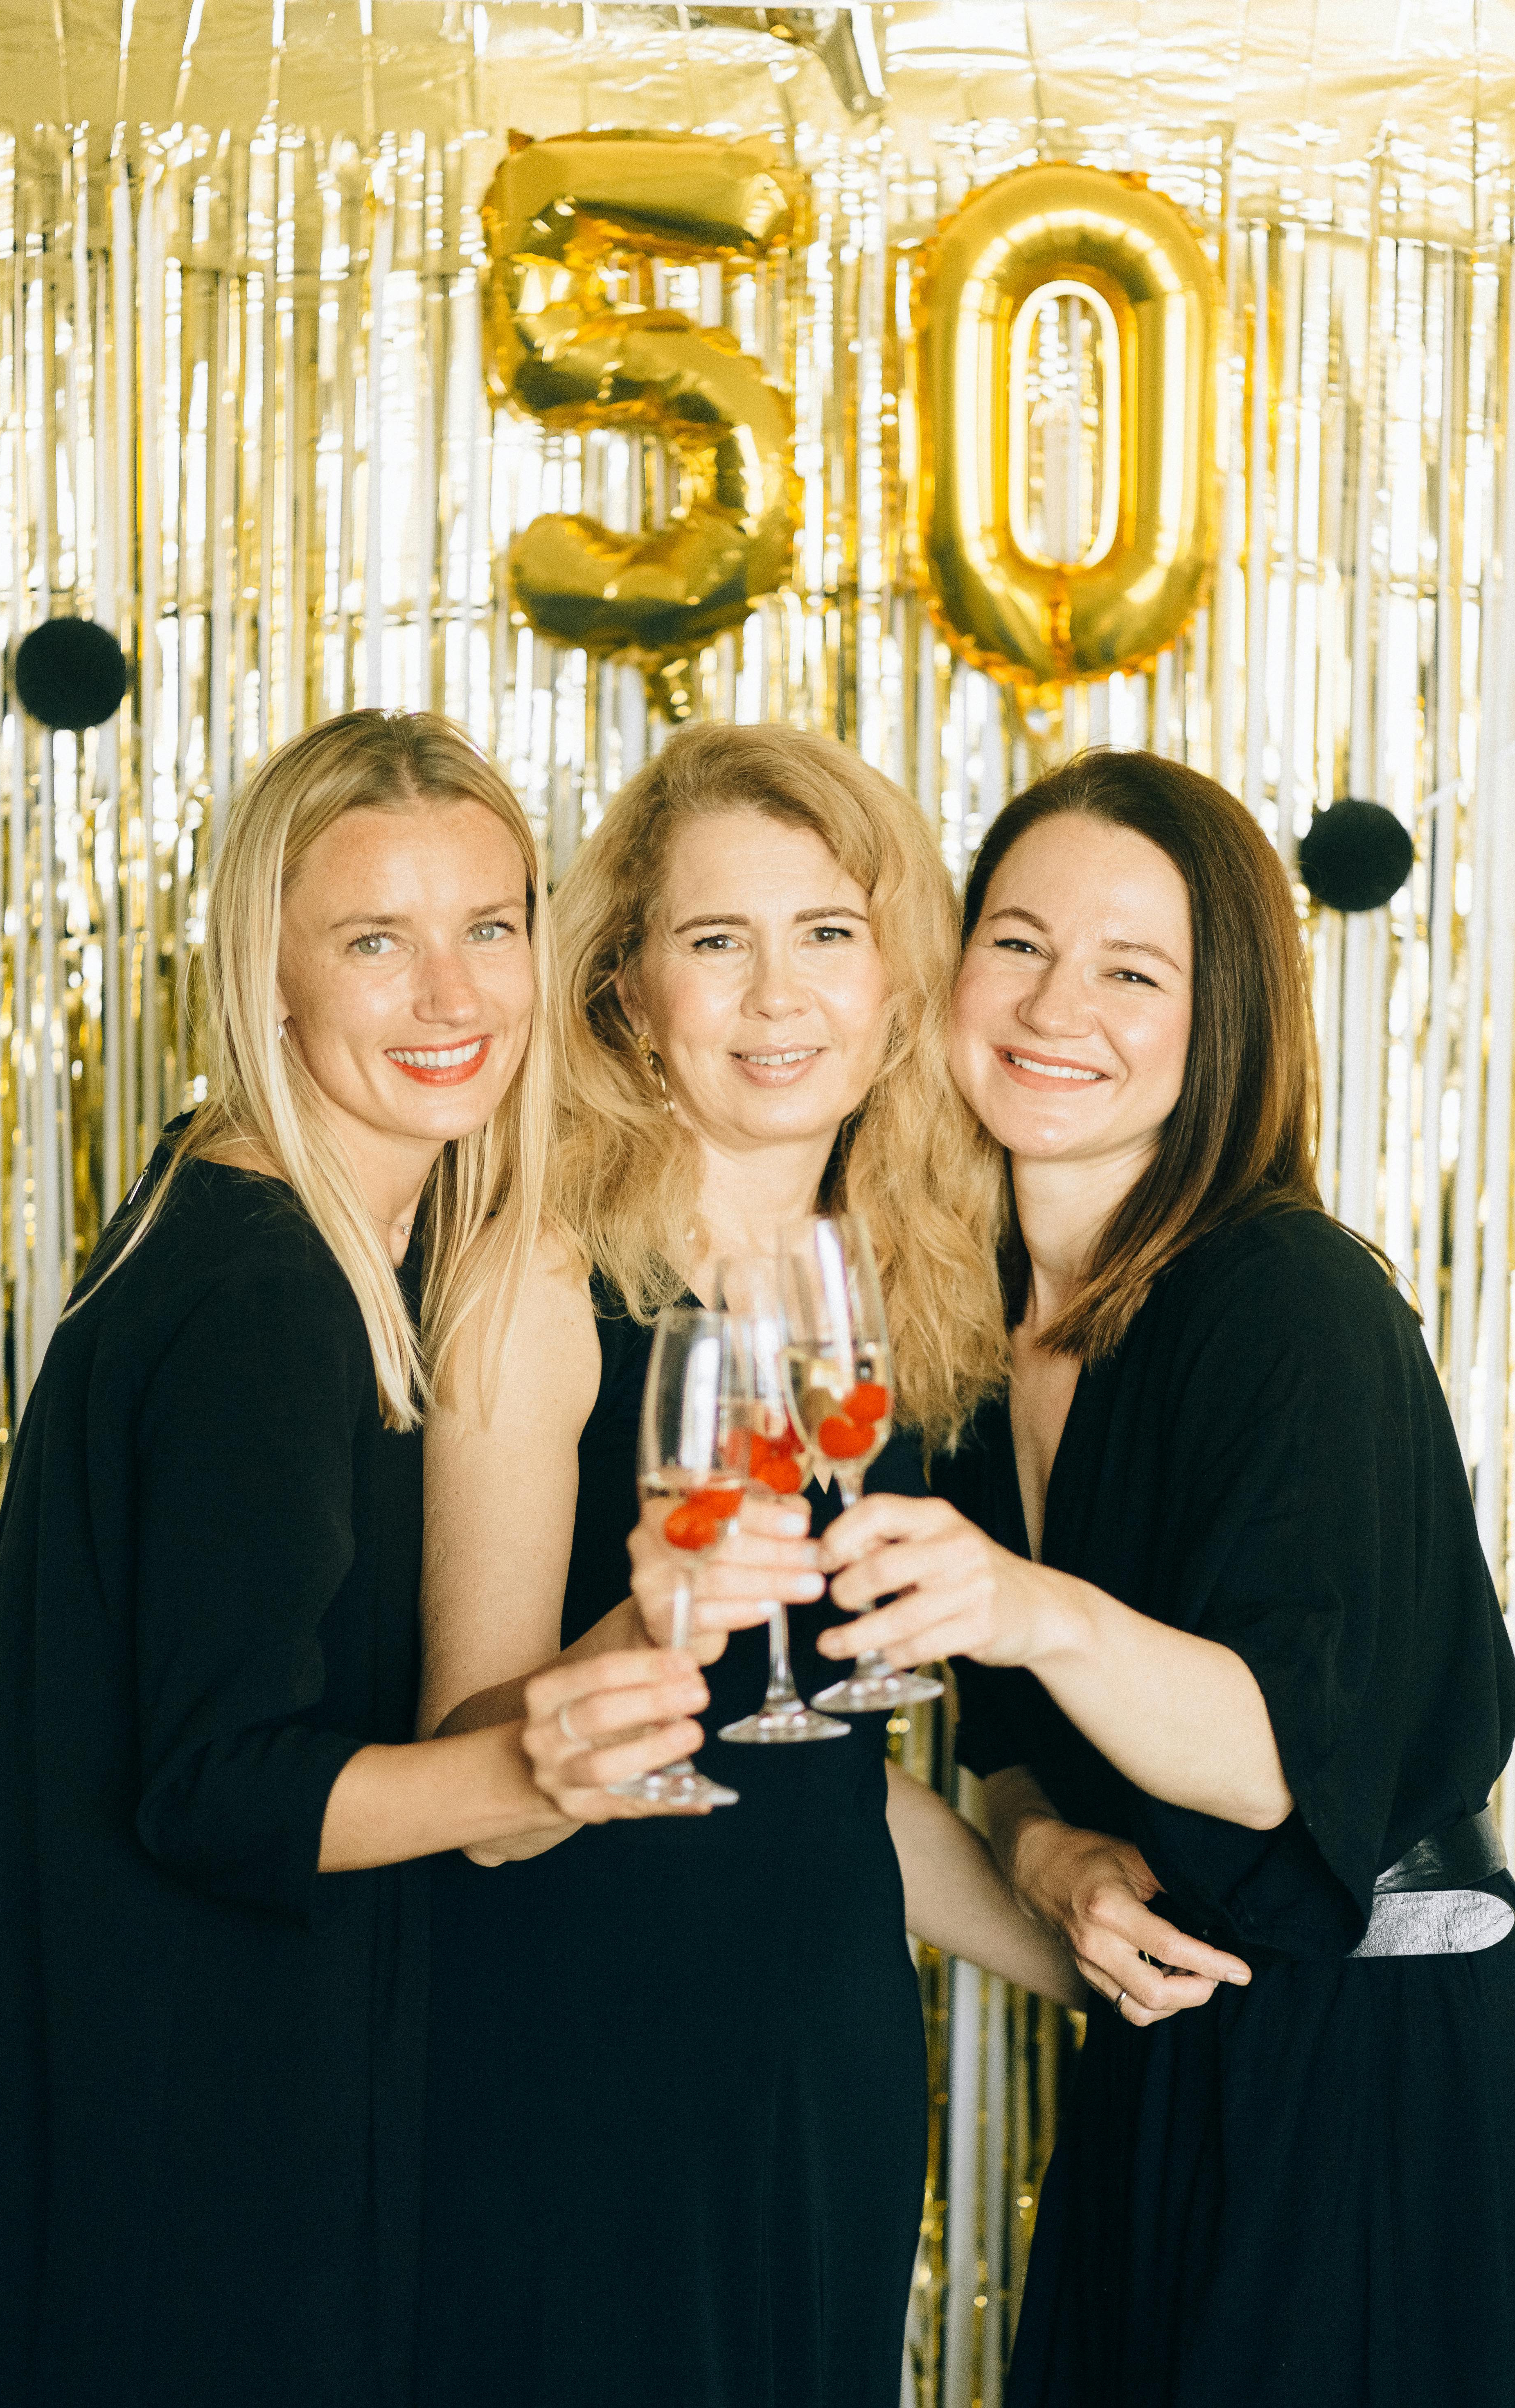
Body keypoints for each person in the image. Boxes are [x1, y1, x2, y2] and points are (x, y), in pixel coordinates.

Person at [0, 710, 701, 2408]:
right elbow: (222, 1787)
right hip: (173, 2141)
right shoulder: (263, 1291)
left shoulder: (267, 1219)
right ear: (272, 980)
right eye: (376, 940)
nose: (453, 995)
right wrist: (531, 1766)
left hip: (141, 2089)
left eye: (490, 926)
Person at [814, 749, 1515, 2407]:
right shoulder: (967, 1328)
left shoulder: (1288, 1304)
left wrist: (1026, 1601)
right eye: (1022, 941)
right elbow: (1000, 1749)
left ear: (1224, 1029)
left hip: (1369, 2079)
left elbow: (1281, 1753)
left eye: (1135, 971)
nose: (1062, 1005)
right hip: (1170, 2053)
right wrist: (1046, 1845)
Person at [413, 722, 1082, 2408]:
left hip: (828, 2054)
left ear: (895, 981)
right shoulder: (539, 1281)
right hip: (587, 2059)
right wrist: (652, 1620)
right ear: (632, 989)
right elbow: (477, 1801)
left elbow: (825, 1776)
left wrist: (1078, 1937)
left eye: (828, 935)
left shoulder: (907, 1292)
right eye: (719, 941)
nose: (780, 997)